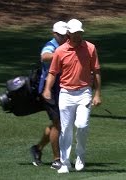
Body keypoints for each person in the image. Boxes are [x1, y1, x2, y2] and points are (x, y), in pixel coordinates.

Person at [42, 18, 102, 174]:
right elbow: (53, 72)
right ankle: (65, 162)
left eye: (80, 32)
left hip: (84, 92)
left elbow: (96, 71)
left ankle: (80, 156)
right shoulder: (60, 51)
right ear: (69, 33)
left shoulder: (90, 48)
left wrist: (97, 94)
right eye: (75, 33)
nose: (78, 35)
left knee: (82, 125)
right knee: (66, 129)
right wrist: (47, 89)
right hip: (66, 93)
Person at [30, 21, 68, 170]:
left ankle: (37, 148)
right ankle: (56, 159)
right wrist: (60, 54)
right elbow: (44, 56)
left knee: (57, 124)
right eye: (61, 35)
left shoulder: (69, 44)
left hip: (64, 89)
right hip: (48, 89)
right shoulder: (51, 45)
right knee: (58, 123)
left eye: (66, 35)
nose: (65, 38)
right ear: (55, 34)